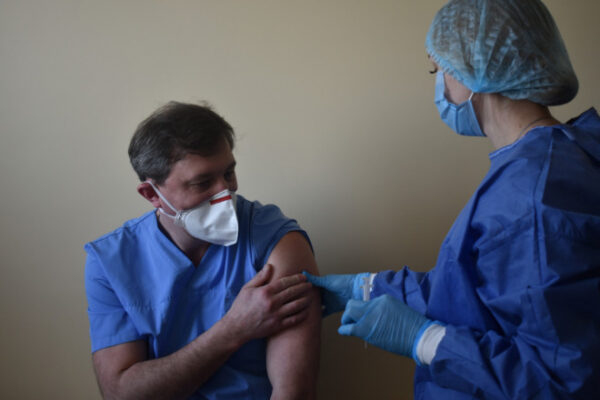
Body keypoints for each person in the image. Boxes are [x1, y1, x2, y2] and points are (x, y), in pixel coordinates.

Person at [305, 0, 600, 398]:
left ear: (477, 69)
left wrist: (426, 341)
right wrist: (367, 287)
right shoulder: (557, 156)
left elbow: (555, 382)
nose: (440, 84)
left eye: (439, 69)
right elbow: (474, 287)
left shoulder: (533, 197)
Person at [84, 101, 321, 400]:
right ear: (151, 194)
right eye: (203, 182)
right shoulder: (111, 262)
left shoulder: (276, 241)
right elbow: (121, 394)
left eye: (229, 173)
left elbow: (294, 392)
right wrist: (233, 329)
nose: (225, 193)